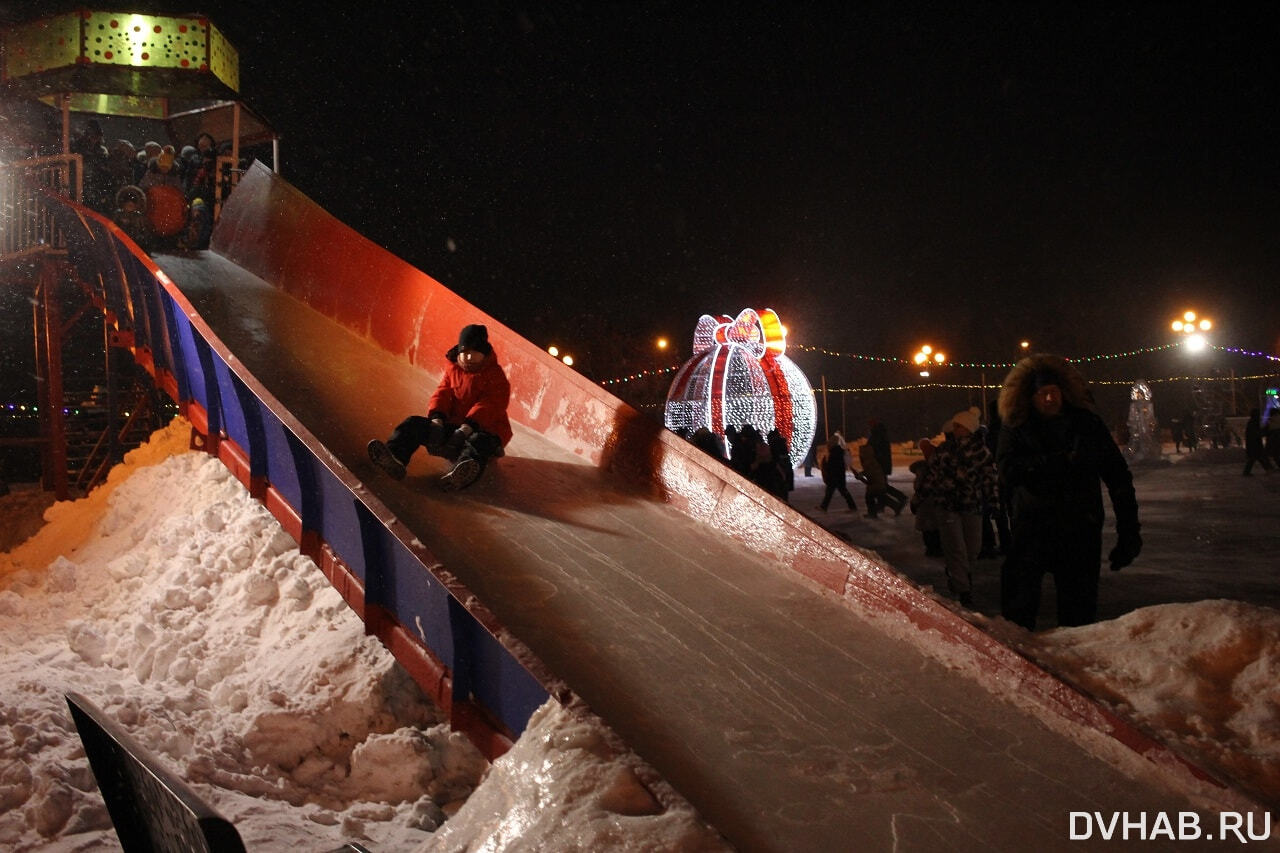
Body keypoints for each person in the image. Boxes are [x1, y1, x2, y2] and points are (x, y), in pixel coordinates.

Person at [997, 354, 1141, 630]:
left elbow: (1118, 478)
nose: (1049, 399)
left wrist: (1129, 532)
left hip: (1079, 530)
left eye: (1053, 392)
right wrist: (1055, 462)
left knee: (1079, 616)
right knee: (1017, 616)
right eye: (1042, 394)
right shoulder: (1017, 427)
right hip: (1032, 531)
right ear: (1030, 396)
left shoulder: (1087, 426)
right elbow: (1008, 470)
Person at [368, 324, 511, 490]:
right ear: (460, 352)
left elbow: (490, 405)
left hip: (484, 429)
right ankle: (395, 457)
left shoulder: (495, 376)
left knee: (479, 443)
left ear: (484, 354)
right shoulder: (453, 369)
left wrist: (467, 428)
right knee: (412, 423)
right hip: (453, 428)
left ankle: (463, 471)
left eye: (475, 353)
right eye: (466, 352)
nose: (469, 358)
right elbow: (442, 393)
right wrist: (437, 419)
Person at [918, 409, 996, 607]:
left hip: (971, 505)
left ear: (969, 428)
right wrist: (922, 495)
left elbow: (989, 477)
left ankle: (959, 575)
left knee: (972, 548)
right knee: (956, 549)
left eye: (959, 426)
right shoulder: (945, 450)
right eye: (955, 426)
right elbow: (932, 474)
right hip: (948, 506)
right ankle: (963, 589)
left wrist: (993, 500)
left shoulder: (981, 451)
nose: (955, 429)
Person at [909, 439, 943, 557]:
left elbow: (922, 488)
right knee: (933, 527)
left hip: (929, 502)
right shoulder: (933, 461)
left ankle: (933, 549)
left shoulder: (929, 467)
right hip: (931, 502)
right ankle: (935, 548)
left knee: (930, 528)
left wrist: (915, 501)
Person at [855, 441, 905, 517]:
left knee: (870, 497)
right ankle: (896, 506)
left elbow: (870, 472)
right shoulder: (871, 460)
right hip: (878, 482)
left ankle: (872, 513)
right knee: (881, 497)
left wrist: (861, 475)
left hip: (876, 483)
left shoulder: (869, 461)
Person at [819, 436, 857, 512]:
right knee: (833, 492)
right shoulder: (836, 451)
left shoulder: (835, 452)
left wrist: (828, 471)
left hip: (835, 476)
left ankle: (852, 506)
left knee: (835, 491)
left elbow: (833, 465)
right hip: (837, 476)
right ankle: (824, 507)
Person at [1243, 408, 1273, 475]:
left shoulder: (1252, 422)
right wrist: (1265, 431)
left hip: (1253, 444)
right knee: (1258, 457)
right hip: (1255, 444)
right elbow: (1256, 433)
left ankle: (1268, 468)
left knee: (1256, 458)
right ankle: (1268, 468)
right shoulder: (1253, 423)